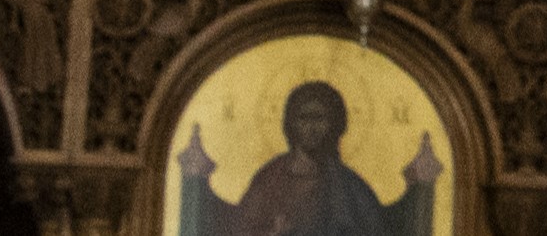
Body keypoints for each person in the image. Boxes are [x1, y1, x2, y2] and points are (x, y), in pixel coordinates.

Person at [174, 79, 439, 236]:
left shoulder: (350, 188)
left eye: (320, 118)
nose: (312, 127)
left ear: (335, 124)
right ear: (291, 123)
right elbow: (240, 230)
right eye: (304, 118)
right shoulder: (269, 179)